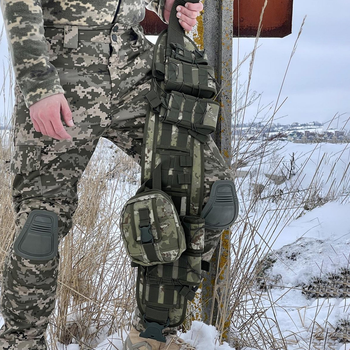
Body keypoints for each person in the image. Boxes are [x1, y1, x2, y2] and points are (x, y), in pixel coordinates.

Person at [0, 0, 236, 349]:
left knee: (210, 191)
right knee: (41, 224)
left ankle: (152, 336)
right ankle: (21, 343)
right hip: (64, 70)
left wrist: (164, 3)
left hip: (135, 65)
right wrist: (38, 85)